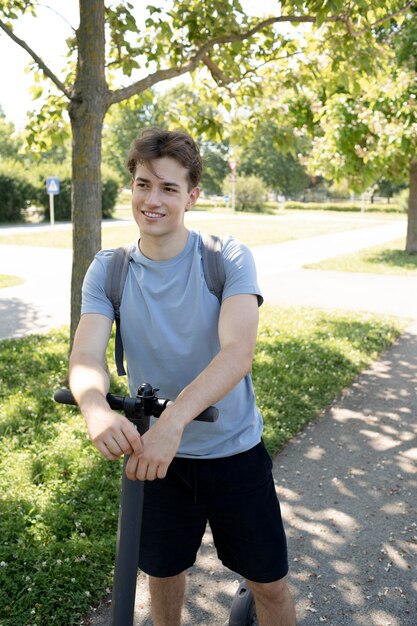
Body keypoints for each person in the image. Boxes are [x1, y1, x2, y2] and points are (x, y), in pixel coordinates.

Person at [69, 127, 297, 626]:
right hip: (156, 461)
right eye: (143, 184)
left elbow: (238, 354)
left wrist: (172, 424)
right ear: (130, 186)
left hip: (233, 452)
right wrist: (94, 407)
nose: (153, 200)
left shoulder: (225, 257)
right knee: (163, 575)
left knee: (270, 584)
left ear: (192, 196)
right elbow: (86, 354)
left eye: (169, 188)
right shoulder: (109, 269)